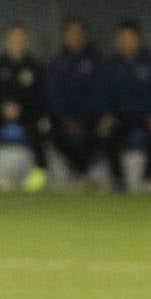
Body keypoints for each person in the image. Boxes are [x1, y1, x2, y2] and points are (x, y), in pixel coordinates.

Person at [96, 20, 151, 192]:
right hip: (120, 117)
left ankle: (150, 179)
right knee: (106, 134)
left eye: (129, 37)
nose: (125, 41)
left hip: (147, 116)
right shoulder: (111, 64)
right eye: (122, 37)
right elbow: (104, 94)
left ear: (138, 38)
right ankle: (118, 180)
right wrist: (107, 114)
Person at [0, 24, 49, 192]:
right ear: (7, 41)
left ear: (26, 41)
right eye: (14, 39)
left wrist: (21, 108)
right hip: (0, 111)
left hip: (27, 112)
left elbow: (40, 93)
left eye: (21, 39)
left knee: (37, 129)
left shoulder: (34, 66)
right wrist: (3, 106)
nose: (17, 42)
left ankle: (40, 171)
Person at [45, 16, 102, 181]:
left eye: (78, 33)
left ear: (83, 35)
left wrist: (85, 115)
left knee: (98, 134)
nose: (74, 36)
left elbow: (99, 91)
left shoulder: (96, 60)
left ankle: (85, 174)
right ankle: (77, 173)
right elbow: (52, 93)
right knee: (55, 135)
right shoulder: (56, 62)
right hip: (62, 118)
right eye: (70, 33)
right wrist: (65, 116)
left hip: (89, 117)